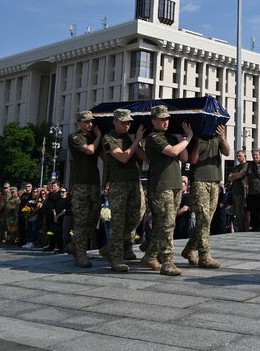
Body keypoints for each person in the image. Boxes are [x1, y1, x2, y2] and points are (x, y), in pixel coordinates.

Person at [142, 105, 192, 276]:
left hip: (175, 186)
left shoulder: (170, 137)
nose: (165, 122)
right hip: (162, 187)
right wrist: (188, 138)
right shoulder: (153, 137)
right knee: (168, 224)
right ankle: (167, 262)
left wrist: (180, 138)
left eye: (167, 119)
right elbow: (172, 152)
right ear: (153, 120)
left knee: (162, 225)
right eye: (161, 119)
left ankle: (150, 255)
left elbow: (184, 157)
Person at [101, 109, 146, 272]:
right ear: (115, 122)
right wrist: (136, 141)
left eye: (129, 122)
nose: (127, 125)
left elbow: (144, 158)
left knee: (136, 216)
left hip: (134, 182)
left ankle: (118, 246)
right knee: (118, 221)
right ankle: (117, 257)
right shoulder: (109, 138)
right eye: (123, 122)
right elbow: (123, 157)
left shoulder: (131, 137)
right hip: (119, 184)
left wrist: (137, 141)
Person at [183, 124, 230, 267]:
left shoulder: (216, 136)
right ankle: (204, 255)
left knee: (207, 220)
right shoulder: (195, 137)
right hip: (199, 181)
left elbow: (227, 152)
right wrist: (196, 140)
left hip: (215, 182)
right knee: (203, 218)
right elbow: (192, 160)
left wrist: (222, 137)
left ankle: (190, 249)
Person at [67, 111, 102, 267]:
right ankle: (81, 254)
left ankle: (75, 245)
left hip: (94, 182)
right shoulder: (75, 137)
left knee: (93, 217)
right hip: (80, 183)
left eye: (91, 122)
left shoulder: (93, 138)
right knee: (81, 219)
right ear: (78, 123)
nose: (89, 125)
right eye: (86, 122)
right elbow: (89, 150)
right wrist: (99, 137)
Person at [227, 150, 250, 232]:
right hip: (235, 192)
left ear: (245, 156)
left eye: (240, 156)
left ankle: (244, 230)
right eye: (237, 156)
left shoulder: (246, 165)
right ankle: (240, 229)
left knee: (242, 213)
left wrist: (234, 176)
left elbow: (241, 175)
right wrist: (234, 176)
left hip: (242, 192)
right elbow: (229, 177)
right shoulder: (236, 167)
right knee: (237, 213)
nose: (238, 157)